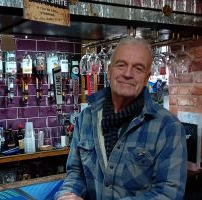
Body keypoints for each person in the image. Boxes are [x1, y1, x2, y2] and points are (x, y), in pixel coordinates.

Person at [55, 37, 187, 200]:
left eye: (138, 68)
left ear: (147, 77)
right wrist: (69, 194)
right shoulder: (86, 118)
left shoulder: (168, 127)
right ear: (109, 71)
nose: (127, 74)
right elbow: (76, 172)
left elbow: (168, 194)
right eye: (121, 65)